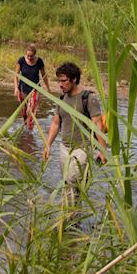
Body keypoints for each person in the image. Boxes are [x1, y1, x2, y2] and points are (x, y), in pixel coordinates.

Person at [43, 62, 107, 204]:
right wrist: (48, 144)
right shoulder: (61, 100)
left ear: (74, 79)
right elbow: (55, 123)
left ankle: (68, 216)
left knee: (72, 180)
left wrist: (103, 150)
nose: (60, 84)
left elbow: (98, 125)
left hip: (83, 149)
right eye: (59, 80)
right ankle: (72, 216)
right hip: (64, 148)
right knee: (68, 183)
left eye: (64, 80)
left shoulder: (88, 98)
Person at [14, 44, 51, 129]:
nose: (30, 58)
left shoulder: (39, 61)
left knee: (30, 111)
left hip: (35, 89)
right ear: (25, 54)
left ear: (35, 54)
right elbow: (16, 75)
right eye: (28, 56)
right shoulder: (21, 60)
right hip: (22, 89)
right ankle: (25, 128)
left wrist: (48, 88)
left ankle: (29, 133)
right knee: (24, 112)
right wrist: (16, 88)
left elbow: (43, 75)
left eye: (31, 56)